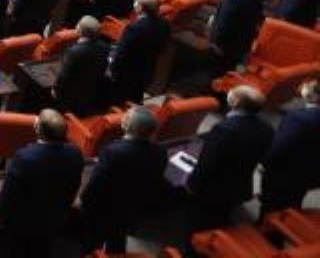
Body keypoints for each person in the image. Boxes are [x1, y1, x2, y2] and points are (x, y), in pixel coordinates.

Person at [0, 109, 85, 258]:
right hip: (54, 219)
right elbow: (73, 186)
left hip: (22, 224)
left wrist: (0, 216)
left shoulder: (24, 157)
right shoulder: (75, 153)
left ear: (38, 130)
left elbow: (10, 193)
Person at [80, 106, 169, 255]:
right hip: (134, 206)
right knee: (118, 239)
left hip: (106, 208)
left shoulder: (113, 151)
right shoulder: (160, 151)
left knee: (92, 242)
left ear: (126, 125)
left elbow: (97, 185)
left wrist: (85, 201)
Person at [188, 86, 274, 230]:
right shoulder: (267, 128)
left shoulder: (224, 129)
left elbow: (207, 163)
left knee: (200, 224)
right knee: (222, 217)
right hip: (240, 185)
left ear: (235, 102)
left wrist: (192, 184)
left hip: (212, 190)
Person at [261, 79, 320, 212]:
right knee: (294, 202)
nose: (304, 88)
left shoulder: (299, 119)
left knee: (271, 209)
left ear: (315, 96)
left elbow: (280, 147)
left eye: (308, 87)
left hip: (285, 174)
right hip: (310, 174)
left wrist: (265, 163)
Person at [208, 0, 264, 72]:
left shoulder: (232, 1)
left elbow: (223, 26)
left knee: (215, 70)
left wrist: (216, 43)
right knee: (228, 69)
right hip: (241, 45)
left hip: (224, 46)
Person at [54, 16, 110, 117]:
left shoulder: (74, 52)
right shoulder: (104, 47)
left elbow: (63, 77)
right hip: (89, 95)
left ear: (79, 30)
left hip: (69, 98)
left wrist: (55, 90)